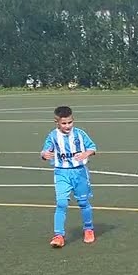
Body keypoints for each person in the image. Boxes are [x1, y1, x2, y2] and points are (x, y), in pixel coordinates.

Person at [40, 106, 97, 247]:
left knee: (83, 203)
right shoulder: (52, 136)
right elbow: (45, 151)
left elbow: (92, 147)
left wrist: (86, 153)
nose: (67, 126)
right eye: (64, 123)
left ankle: (88, 229)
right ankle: (58, 235)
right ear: (57, 122)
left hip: (79, 173)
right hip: (61, 173)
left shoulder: (80, 134)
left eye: (70, 122)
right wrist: (44, 155)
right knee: (61, 203)